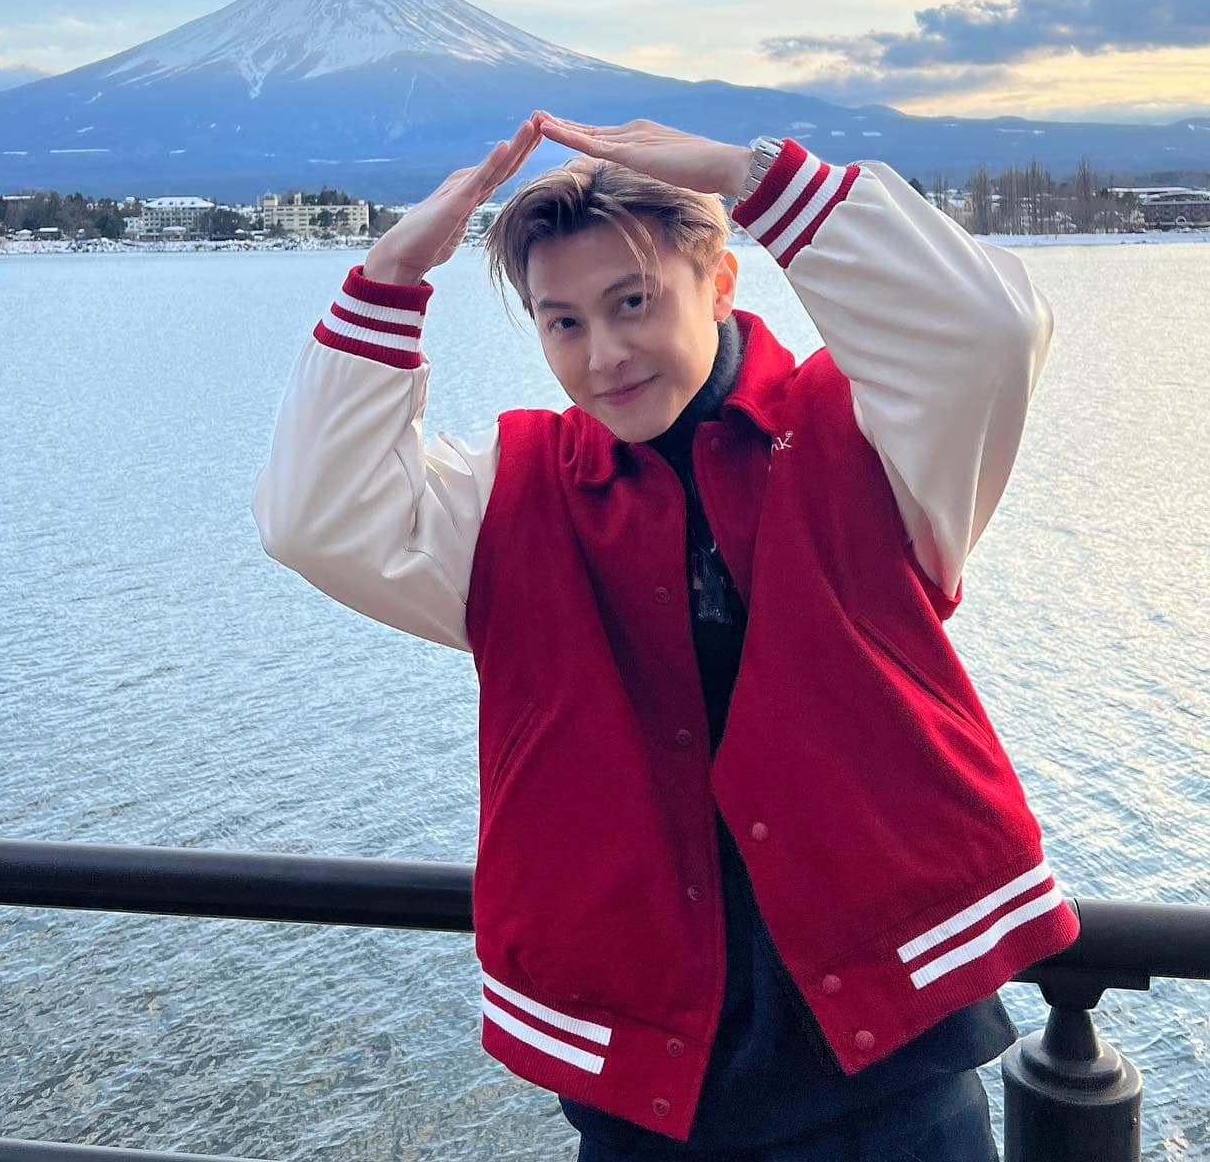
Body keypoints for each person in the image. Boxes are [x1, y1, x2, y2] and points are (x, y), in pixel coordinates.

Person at [252, 114, 1079, 1160]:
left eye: (632, 302)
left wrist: (752, 175)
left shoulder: (863, 436)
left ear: (721, 282)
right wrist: (391, 275)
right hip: (647, 1088)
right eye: (562, 322)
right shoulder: (514, 496)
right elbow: (312, 518)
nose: (603, 356)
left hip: (893, 1075)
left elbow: (989, 331)